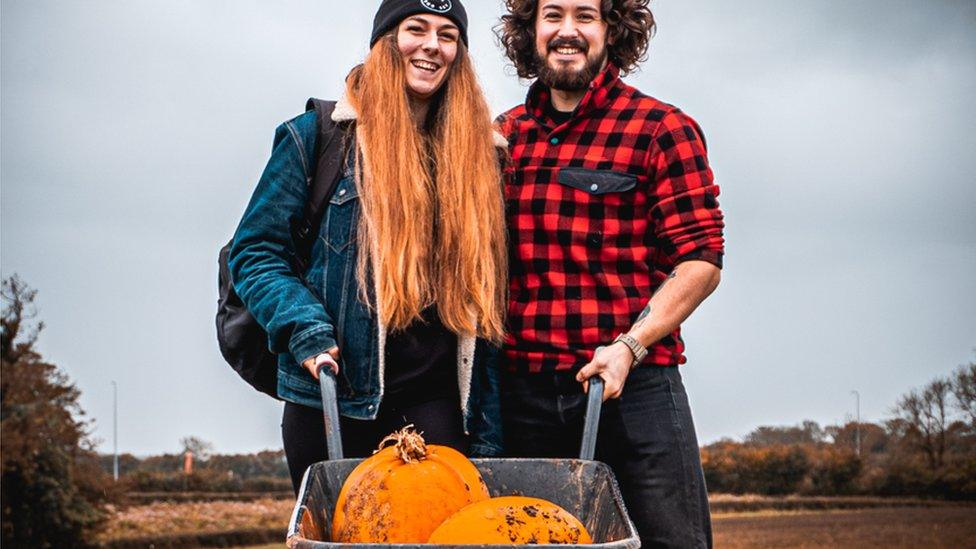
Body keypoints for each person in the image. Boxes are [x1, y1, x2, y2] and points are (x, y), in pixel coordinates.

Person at [229, 0, 508, 493]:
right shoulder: (315, 136)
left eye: (448, 35)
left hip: (436, 406)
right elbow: (255, 251)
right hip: (333, 397)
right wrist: (306, 331)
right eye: (415, 29)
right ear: (385, 42)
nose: (431, 45)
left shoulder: (482, 157)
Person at [494, 0, 725, 546]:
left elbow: (701, 260)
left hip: (634, 390)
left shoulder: (661, 129)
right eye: (552, 15)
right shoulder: (501, 138)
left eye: (585, 16)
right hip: (521, 400)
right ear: (530, 30)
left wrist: (630, 346)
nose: (567, 31)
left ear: (612, 30)